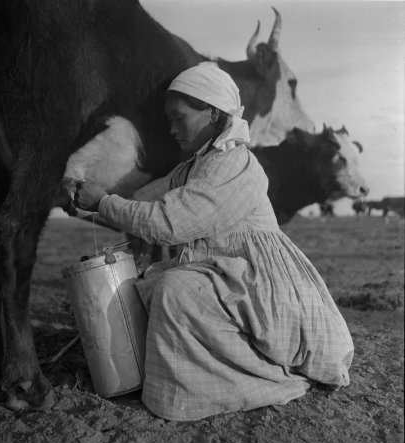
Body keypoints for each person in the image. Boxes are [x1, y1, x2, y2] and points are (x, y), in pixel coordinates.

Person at [76, 62, 354, 421]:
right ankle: (207, 373)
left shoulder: (236, 163)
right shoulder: (196, 167)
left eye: (179, 118)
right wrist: (89, 200)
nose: (172, 129)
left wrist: (103, 202)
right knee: (153, 283)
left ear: (213, 112)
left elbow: (168, 222)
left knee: (176, 290)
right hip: (233, 276)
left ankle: (272, 379)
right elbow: (146, 200)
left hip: (265, 287)